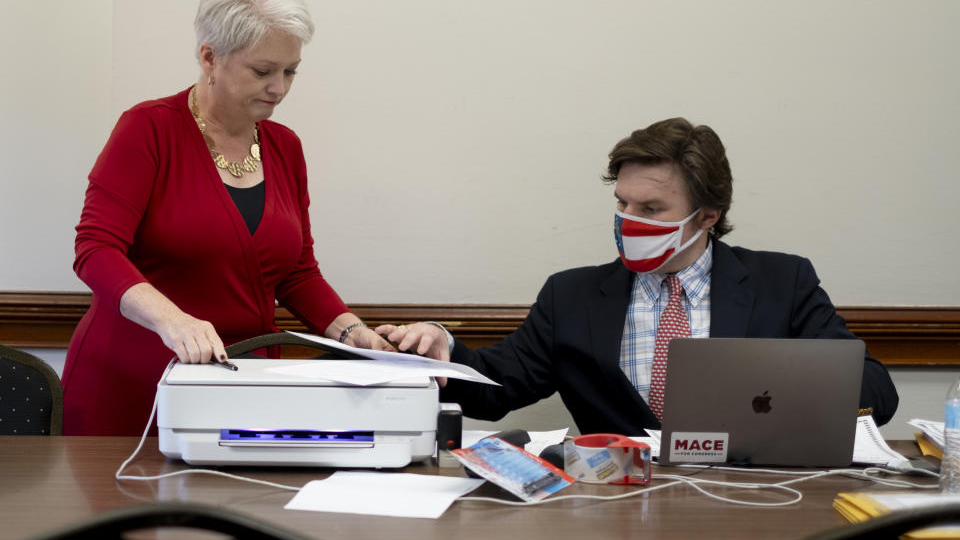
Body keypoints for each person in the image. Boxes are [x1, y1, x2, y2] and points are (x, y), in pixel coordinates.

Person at [376, 118, 899, 435]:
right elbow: (494, 390)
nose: (630, 220)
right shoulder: (573, 294)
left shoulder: (781, 283)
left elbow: (877, 392)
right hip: (615, 510)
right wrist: (439, 345)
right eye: (623, 203)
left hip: (750, 502)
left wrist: (777, 382)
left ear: (708, 216)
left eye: (651, 207)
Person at [63, 0, 391, 435]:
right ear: (209, 57)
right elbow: (95, 250)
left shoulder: (285, 146)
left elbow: (297, 271)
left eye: (290, 71)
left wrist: (352, 332)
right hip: (134, 385)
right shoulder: (147, 129)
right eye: (263, 71)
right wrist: (173, 321)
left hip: (245, 386)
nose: (279, 88)